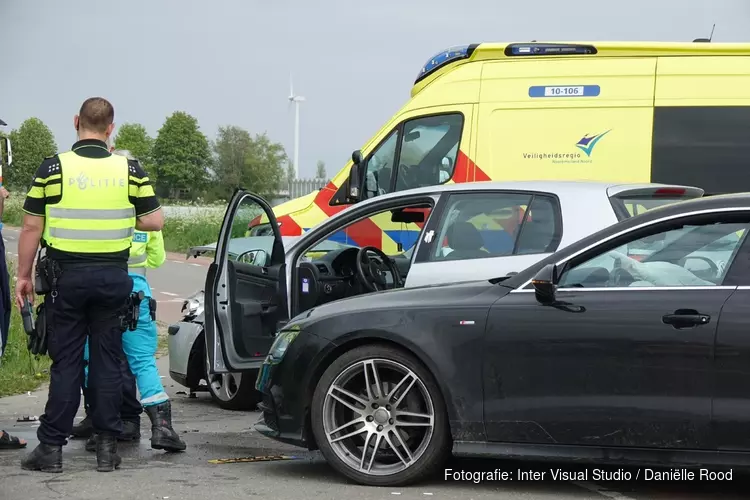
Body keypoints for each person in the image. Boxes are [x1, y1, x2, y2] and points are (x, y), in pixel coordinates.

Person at [16, 97, 164, 473]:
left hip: (67, 279)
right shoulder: (129, 169)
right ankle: (107, 448)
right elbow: (154, 221)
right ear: (110, 128)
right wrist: (118, 217)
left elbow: (31, 226)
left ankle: (50, 449)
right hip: (114, 278)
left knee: (66, 363)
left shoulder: (52, 167)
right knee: (108, 361)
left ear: (76, 122)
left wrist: (23, 276)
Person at [75, 149, 185, 453]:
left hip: (97, 290)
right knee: (142, 361)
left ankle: (101, 427)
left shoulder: (101, 210)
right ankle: (163, 428)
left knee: (95, 360)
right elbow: (158, 258)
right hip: (136, 292)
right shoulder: (145, 216)